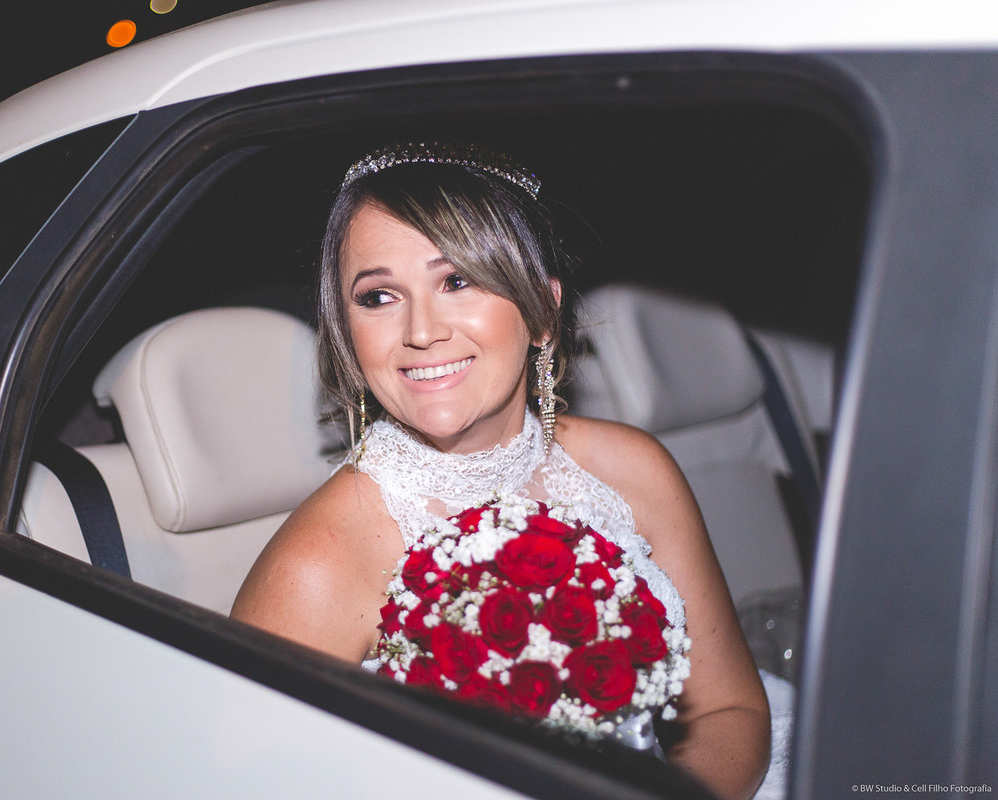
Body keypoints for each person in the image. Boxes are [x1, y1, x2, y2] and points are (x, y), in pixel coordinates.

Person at [231, 143, 773, 800]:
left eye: (457, 281)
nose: (421, 331)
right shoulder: (319, 562)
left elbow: (728, 712)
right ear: (347, 333)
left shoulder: (635, 471)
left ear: (542, 310)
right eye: (378, 296)